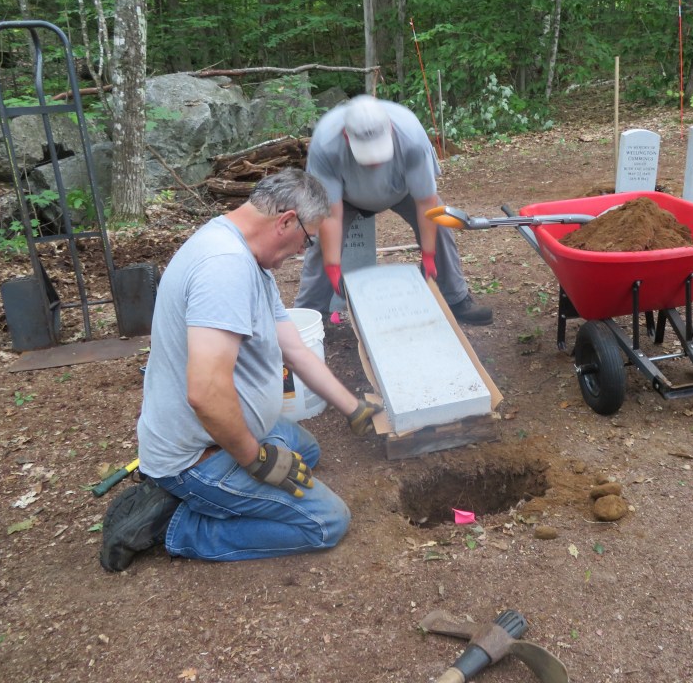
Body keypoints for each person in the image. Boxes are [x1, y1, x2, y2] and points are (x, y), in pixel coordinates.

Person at [100, 167, 381, 572]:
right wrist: (255, 459)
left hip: (222, 430)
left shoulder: (247, 256)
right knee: (327, 522)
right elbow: (205, 392)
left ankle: (207, 484)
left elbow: (293, 349)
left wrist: (352, 407)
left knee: (306, 449)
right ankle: (176, 526)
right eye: (304, 241)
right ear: (286, 220)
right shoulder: (224, 268)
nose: (299, 254)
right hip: (192, 454)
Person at [294, 95, 493, 325]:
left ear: (389, 129)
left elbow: (426, 203)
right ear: (346, 137)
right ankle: (309, 316)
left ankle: (454, 299)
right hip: (345, 197)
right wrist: (332, 265)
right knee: (320, 240)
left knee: (440, 222)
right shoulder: (326, 142)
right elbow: (330, 213)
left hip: (401, 190)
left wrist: (428, 254)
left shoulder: (411, 136)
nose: (374, 162)